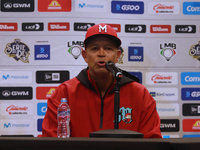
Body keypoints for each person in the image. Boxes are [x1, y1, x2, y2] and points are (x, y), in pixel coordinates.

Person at [41, 23, 162, 138]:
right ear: (84, 55)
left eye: (108, 48)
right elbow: (51, 141)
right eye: (94, 48)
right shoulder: (65, 93)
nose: (101, 53)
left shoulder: (139, 94)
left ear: (118, 55)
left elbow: (152, 140)